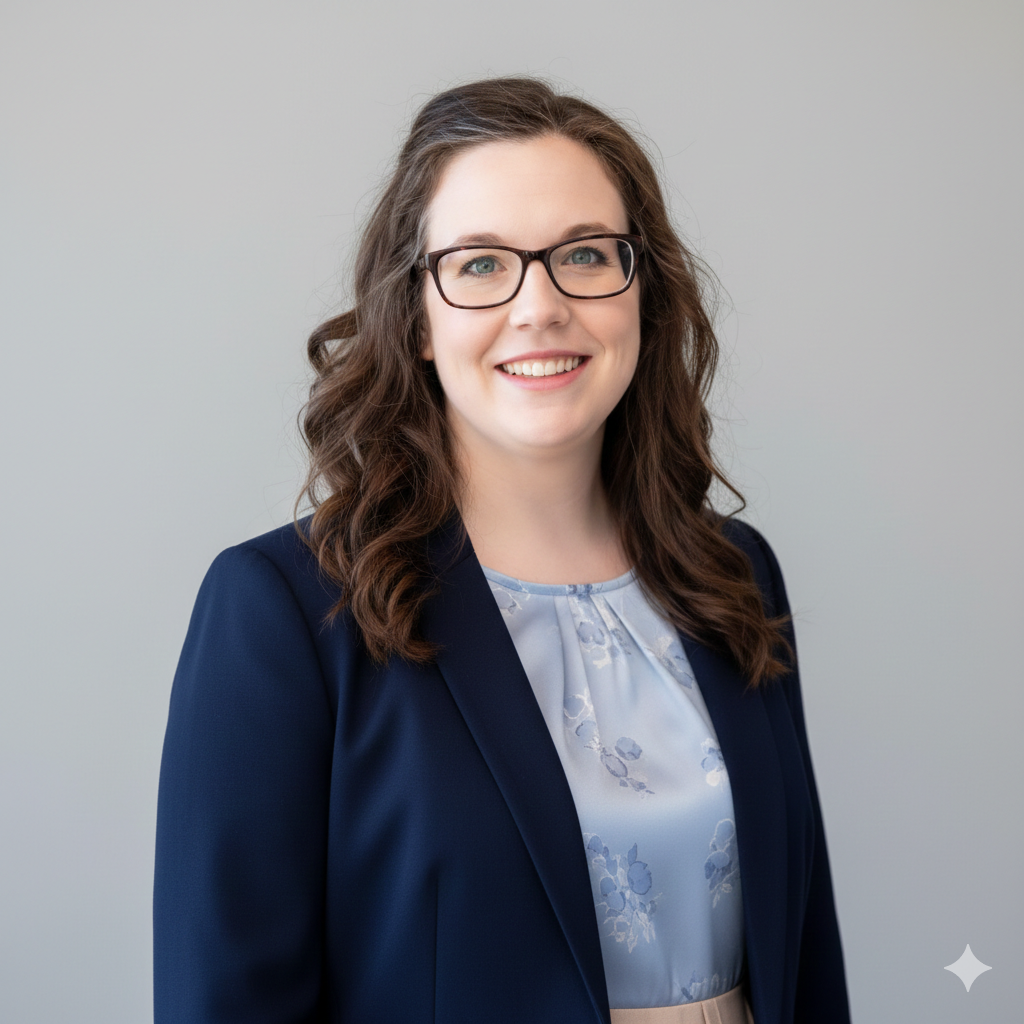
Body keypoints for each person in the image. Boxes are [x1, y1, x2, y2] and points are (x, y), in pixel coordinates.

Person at [153, 77, 852, 1024]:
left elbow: (805, 960)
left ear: (641, 290)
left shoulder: (731, 572)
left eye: (585, 255)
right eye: (481, 264)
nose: (541, 305)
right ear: (418, 314)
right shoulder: (284, 608)